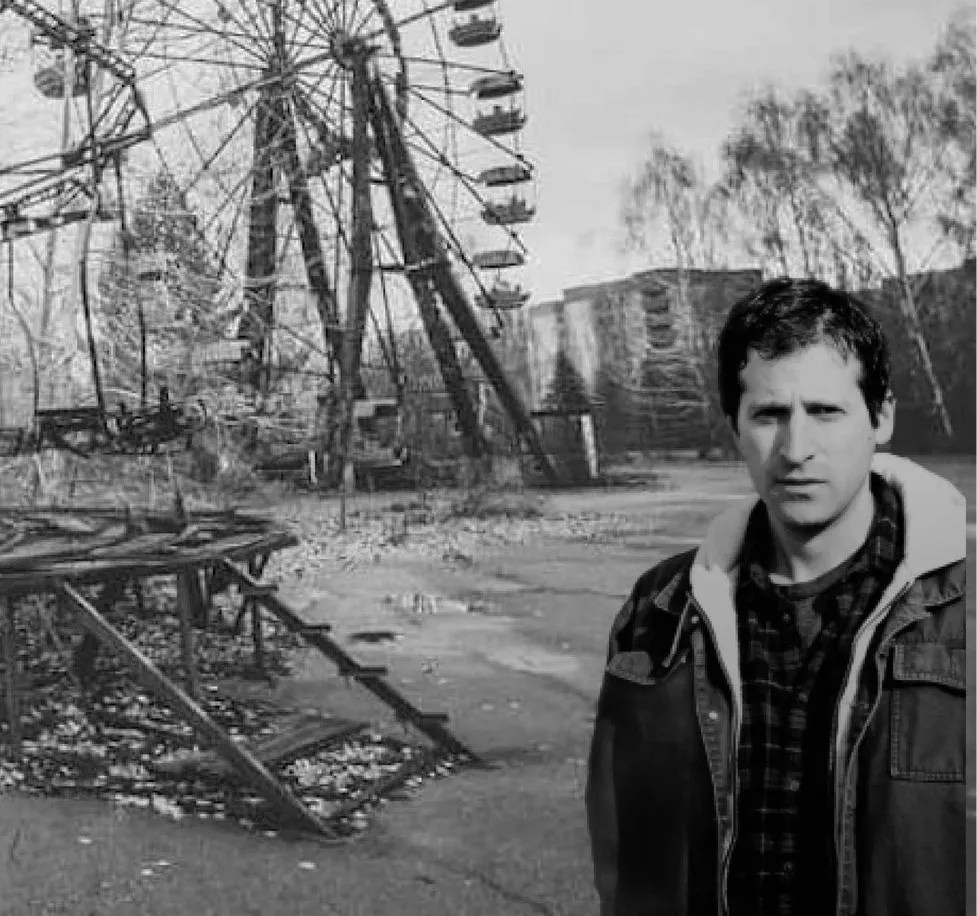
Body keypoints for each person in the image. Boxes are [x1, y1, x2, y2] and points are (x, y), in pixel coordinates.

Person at [585, 278, 966, 916]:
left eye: (825, 411)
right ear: (734, 426)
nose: (795, 450)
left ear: (881, 418)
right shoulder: (661, 609)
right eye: (769, 415)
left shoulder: (961, 608)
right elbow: (625, 841)